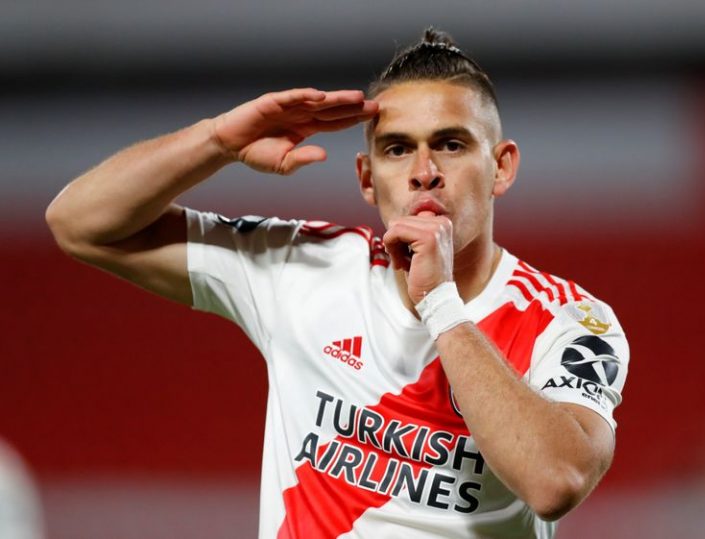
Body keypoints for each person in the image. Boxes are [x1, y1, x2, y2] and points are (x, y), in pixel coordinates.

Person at [46, 28, 629, 539]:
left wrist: (441, 304)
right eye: (398, 149)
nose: (425, 171)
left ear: (500, 167)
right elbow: (80, 225)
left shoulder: (566, 320)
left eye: (450, 144)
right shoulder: (306, 266)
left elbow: (556, 480)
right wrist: (217, 142)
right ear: (367, 178)